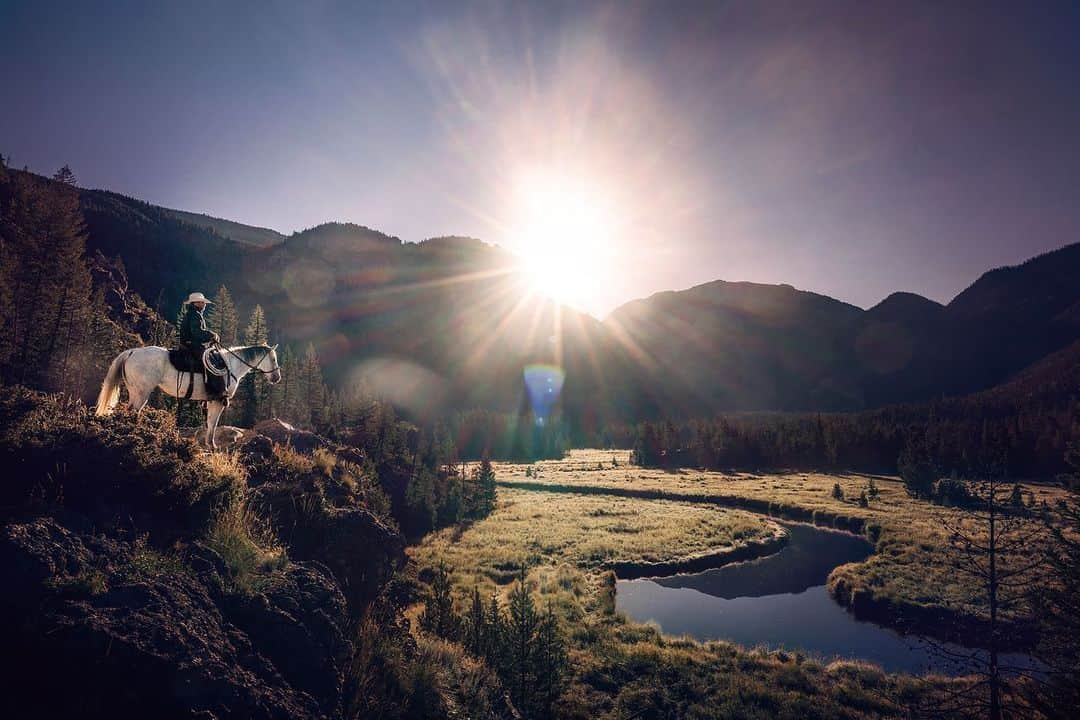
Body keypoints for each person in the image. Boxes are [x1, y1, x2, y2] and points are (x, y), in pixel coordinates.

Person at [178, 291, 227, 401]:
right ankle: (212, 392)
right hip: (191, 346)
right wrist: (211, 335)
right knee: (210, 362)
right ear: (196, 303)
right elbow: (196, 332)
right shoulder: (195, 315)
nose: (204, 305)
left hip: (188, 344)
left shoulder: (192, 314)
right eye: (203, 303)